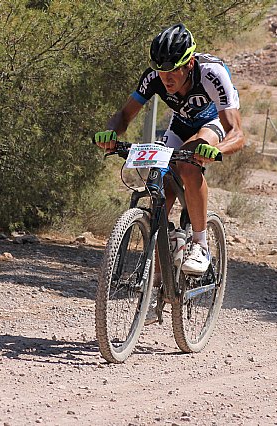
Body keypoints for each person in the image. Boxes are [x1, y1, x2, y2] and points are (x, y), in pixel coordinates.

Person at [94, 23, 245, 276]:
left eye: (173, 69)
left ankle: (200, 244)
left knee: (188, 164)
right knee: (159, 183)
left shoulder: (212, 73)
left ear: (189, 63)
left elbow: (237, 133)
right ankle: (164, 261)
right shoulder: (154, 77)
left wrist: (217, 149)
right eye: (160, 70)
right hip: (181, 123)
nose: (166, 77)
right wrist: (111, 133)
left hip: (212, 122)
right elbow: (123, 114)